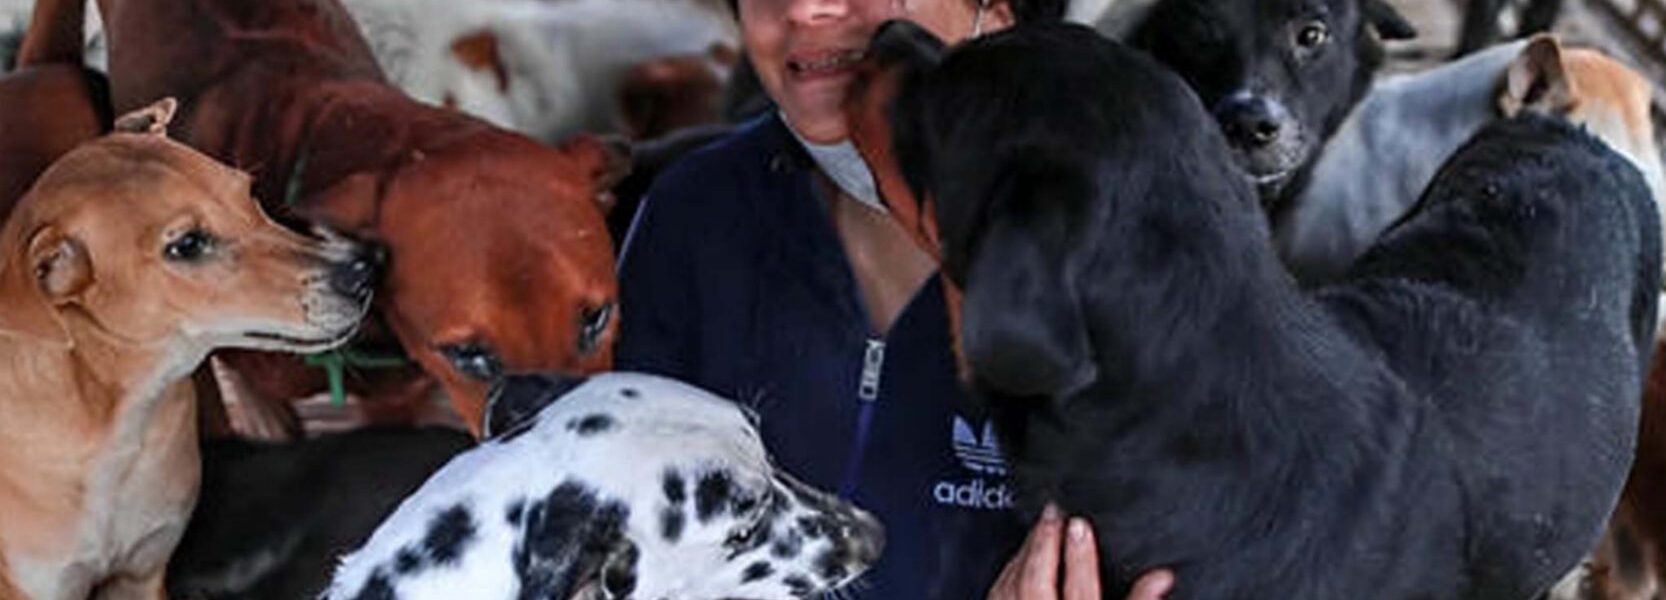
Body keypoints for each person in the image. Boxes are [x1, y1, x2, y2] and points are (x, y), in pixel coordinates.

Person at [615, 0, 1174, 594]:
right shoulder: (696, 213)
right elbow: (617, 541)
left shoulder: (1143, 251)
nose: (804, 9)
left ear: (999, 12)